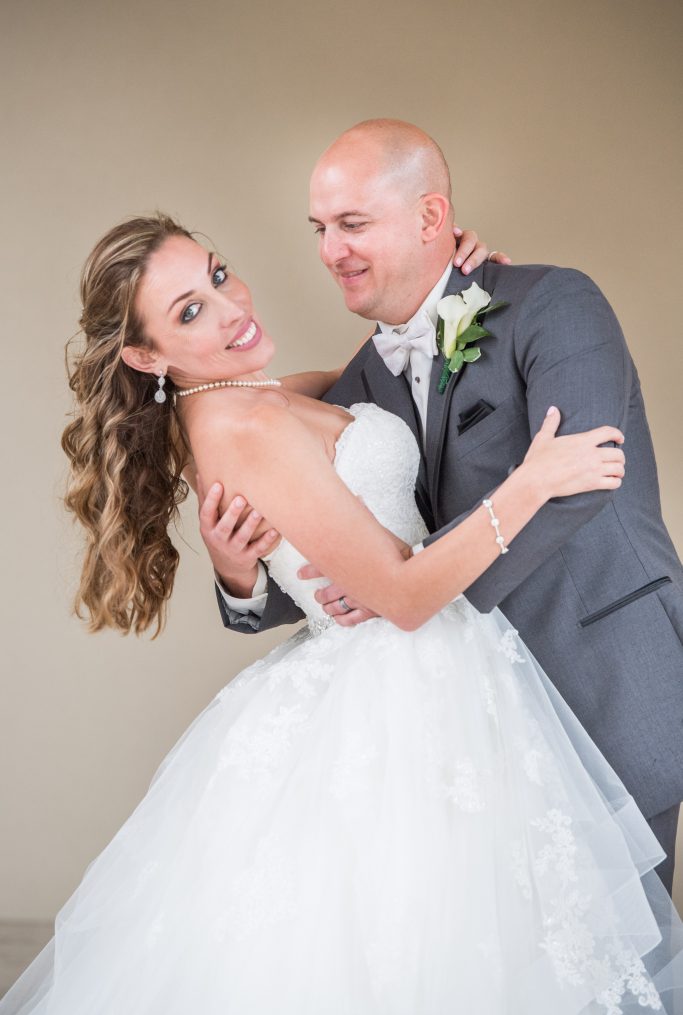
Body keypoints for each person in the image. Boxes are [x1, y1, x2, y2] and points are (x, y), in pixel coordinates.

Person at [1, 212, 681, 1015]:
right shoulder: (243, 424)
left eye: (217, 276)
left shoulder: (244, 397)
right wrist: (530, 483)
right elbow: (399, 596)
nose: (230, 308)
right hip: (402, 687)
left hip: (434, 669)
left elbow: (360, 378)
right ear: (145, 355)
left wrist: (447, 289)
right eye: (189, 312)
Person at [207, 119, 683, 897]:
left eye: (353, 224)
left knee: (620, 985)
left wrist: (406, 583)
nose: (331, 251)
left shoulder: (552, 301)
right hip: (462, 736)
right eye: (321, 229)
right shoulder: (353, 388)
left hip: (602, 677)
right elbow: (333, 568)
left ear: (432, 220)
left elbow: (584, 479)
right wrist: (238, 579)